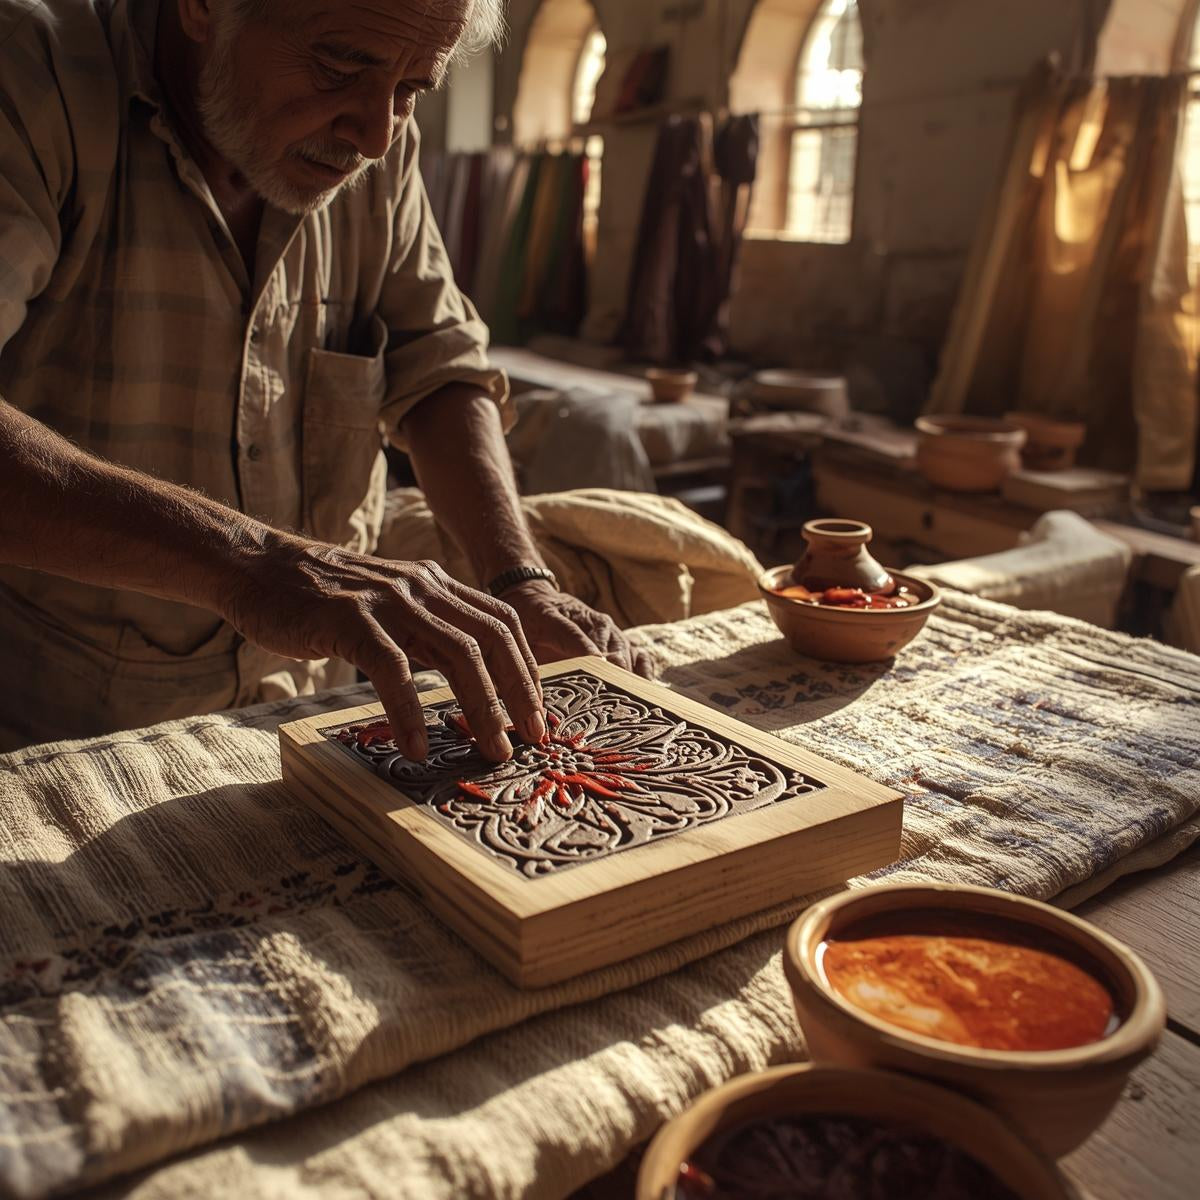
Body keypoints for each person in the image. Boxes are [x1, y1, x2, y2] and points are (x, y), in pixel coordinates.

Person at [0, 0, 647, 757]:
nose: (376, 136)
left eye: (413, 91)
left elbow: (435, 363)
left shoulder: (370, 140)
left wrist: (517, 581)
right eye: (339, 68)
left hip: (320, 705)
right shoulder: (33, 76)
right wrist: (252, 566)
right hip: (63, 729)